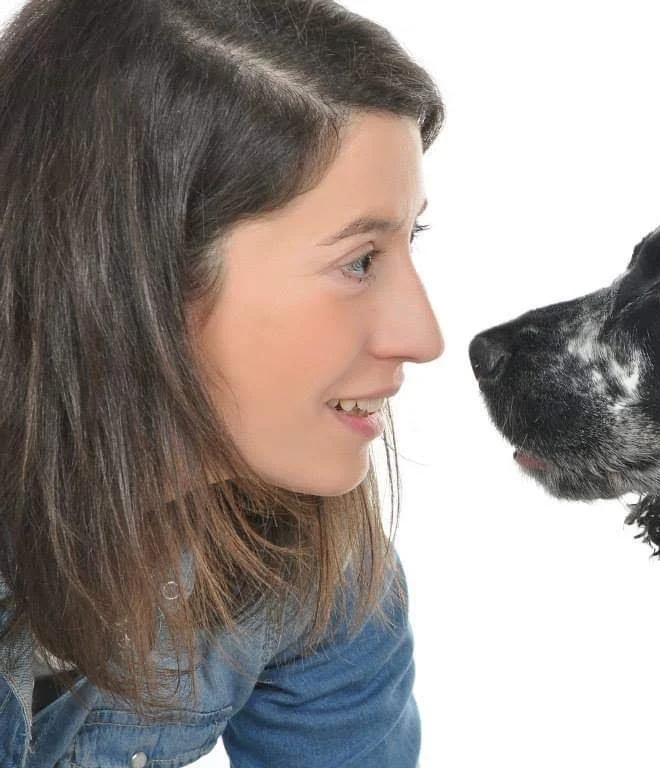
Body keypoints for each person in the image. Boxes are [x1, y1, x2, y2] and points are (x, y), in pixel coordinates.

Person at [0, 0, 444, 765]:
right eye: (359, 261)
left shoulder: (316, 570)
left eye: (411, 241)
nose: (423, 338)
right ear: (132, 274)